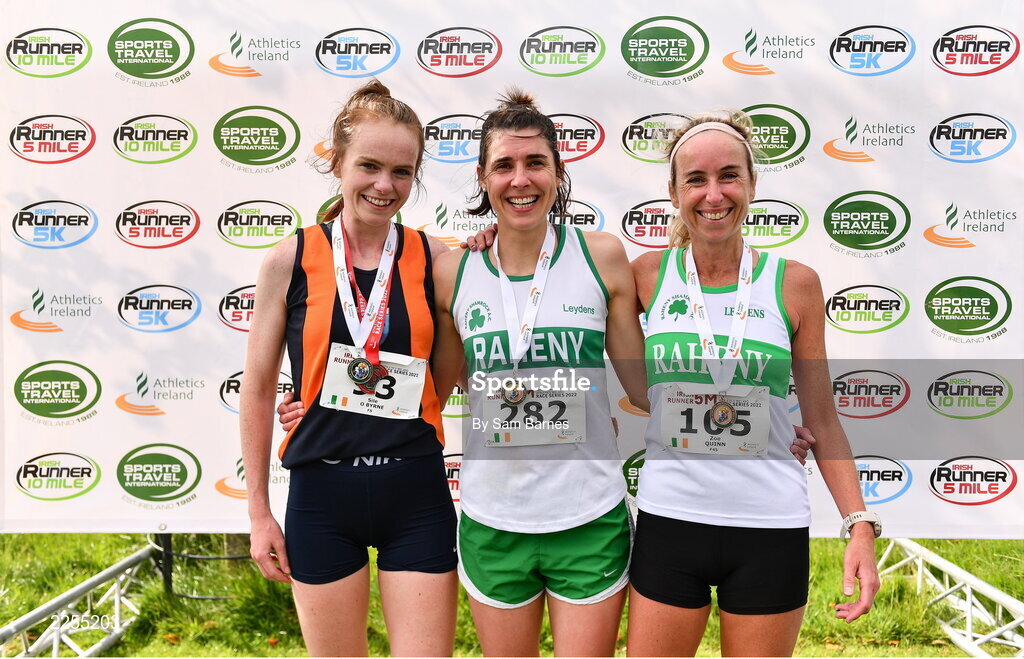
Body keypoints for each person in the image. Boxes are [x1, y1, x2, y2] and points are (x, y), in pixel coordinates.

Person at [626, 113, 880, 657]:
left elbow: (823, 419)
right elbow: (554, 276)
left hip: (769, 524)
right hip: (671, 519)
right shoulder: (645, 276)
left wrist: (859, 525)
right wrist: (486, 236)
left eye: (729, 176)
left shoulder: (796, 285)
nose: (713, 194)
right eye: (695, 179)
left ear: (752, 185)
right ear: (672, 192)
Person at [240, 80, 463, 657]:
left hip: (415, 489)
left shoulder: (436, 257)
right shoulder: (288, 260)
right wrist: (260, 512)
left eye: (403, 171)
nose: (385, 186)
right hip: (321, 493)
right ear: (336, 161)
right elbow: (261, 389)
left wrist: (488, 241)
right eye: (369, 165)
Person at [428, 88, 648, 657]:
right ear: (482, 176)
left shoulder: (601, 256)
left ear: (557, 172)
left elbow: (646, 389)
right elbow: (431, 390)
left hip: (587, 516)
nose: (519, 179)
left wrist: (764, 416)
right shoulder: (454, 271)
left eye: (535, 163)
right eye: (504, 165)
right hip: (492, 519)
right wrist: (325, 403)